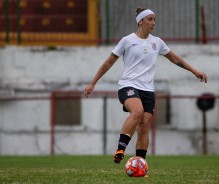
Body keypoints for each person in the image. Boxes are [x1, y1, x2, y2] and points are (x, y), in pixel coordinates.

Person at [84, 7, 208, 164]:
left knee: (144, 124)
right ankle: (121, 148)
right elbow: (108, 63)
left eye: (154, 19)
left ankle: (139, 164)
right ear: (140, 21)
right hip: (128, 85)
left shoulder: (157, 42)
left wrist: (194, 71)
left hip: (148, 89)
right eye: (150, 19)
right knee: (137, 111)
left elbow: (175, 59)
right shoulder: (127, 40)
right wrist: (93, 83)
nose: (153, 22)